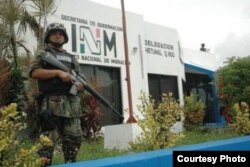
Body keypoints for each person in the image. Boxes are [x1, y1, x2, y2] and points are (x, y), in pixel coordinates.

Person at [29, 22, 84, 166]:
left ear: (65, 37)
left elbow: (81, 77)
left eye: (61, 33)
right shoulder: (43, 54)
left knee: (74, 140)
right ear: (48, 36)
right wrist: (58, 73)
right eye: (54, 32)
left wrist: (80, 85)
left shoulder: (72, 58)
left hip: (72, 107)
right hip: (51, 105)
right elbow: (34, 72)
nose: (58, 35)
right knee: (46, 144)